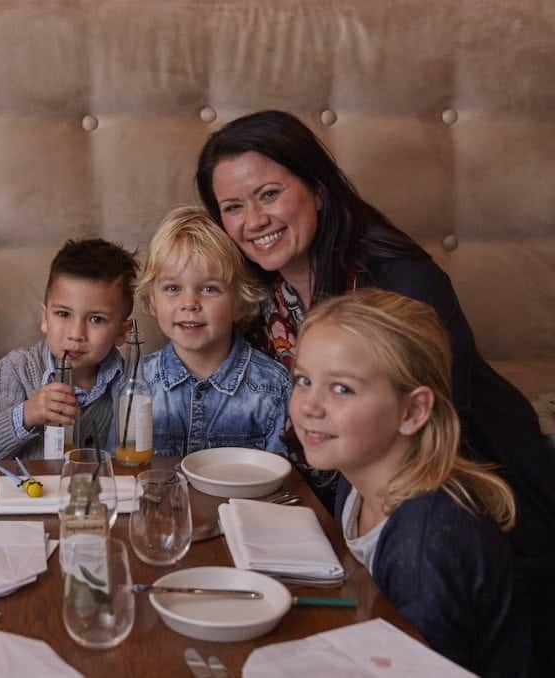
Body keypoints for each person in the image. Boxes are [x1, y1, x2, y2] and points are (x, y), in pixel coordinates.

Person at [196, 109, 554, 672]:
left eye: (269, 194)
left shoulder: (400, 284)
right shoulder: (267, 293)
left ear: (318, 189)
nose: (253, 220)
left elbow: (434, 435)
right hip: (370, 510)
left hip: (487, 494)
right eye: (233, 206)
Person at [291, 289, 531, 677]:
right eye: (303, 379)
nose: (308, 405)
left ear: (413, 411)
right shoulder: (355, 482)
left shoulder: (427, 544)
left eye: (341, 388)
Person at [0, 239, 137, 460]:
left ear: (122, 332)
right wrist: (27, 414)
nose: (76, 334)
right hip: (29, 483)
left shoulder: (132, 382)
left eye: (96, 319)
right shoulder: (17, 369)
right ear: (45, 318)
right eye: (63, 314)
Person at [135, 206, 289, 456]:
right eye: (173, 288)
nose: (189, 304)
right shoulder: (136, 384)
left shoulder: (272, 387)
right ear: (152, 299)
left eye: (209, 289)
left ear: (239, 300)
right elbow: (118, 471)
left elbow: (283, 475)